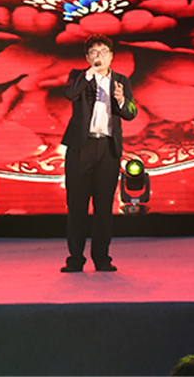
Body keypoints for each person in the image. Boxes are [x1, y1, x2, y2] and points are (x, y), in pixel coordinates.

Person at [60, 34, 138, 272]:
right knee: (77, 206)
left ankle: (102, 258)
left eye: (103, 52)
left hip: (107, 149)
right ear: (87, 57)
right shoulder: (78, 76)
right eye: (94, 52)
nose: (99, 56)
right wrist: (89, 74)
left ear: (111, 56)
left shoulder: (121, 81)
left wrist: (122, 100)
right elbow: (70, 94)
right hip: (81, 147)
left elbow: (131, 112)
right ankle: (75, 259)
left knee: (104, 208)